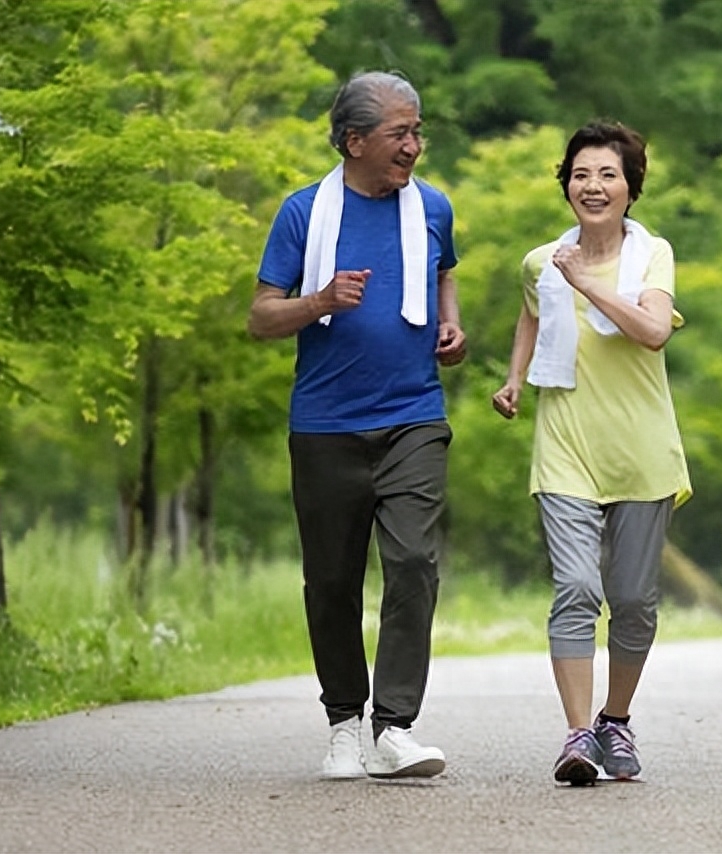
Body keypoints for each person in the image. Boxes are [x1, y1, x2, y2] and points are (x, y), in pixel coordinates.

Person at [248, 71, 466, 780]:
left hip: (413, 416)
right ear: (355, 141)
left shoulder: (432, 207)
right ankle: (345, 722)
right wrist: (320, 301)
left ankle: (395, 726)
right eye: (401, 133)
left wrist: (452, 323)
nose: (415, 144)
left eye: (417, 130)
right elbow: (260, 318)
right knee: (332, 580)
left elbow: (443, 272)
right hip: (325, 425)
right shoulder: (304, 213)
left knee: (412, 563)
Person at [491, 121, 691, 785]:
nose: (593, 186)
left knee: (633, 600)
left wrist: (587, 283)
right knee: (576, 588)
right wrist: (515, 377)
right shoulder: (541, 261)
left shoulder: (652, 255)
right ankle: (577, 736)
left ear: (631, 187)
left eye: (608, 174)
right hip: (565, 448)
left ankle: (616, 721)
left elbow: (654, 330)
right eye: (581, 175)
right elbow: (531, 312)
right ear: (566, 185)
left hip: (642, 454)